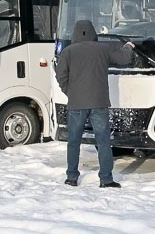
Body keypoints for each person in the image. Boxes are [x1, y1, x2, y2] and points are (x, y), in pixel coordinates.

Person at [54, 20, 135, 188]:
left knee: (74, 142)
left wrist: (71, 92)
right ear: (92, 32)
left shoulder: (68, 52)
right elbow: (123, 59)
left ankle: (71, 177)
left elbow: (60, 76)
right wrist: (128, 46)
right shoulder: (103, 49)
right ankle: (106, 179)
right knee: (103, 142)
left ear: (75, 33)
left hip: (76, 104)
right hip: (99, 102)